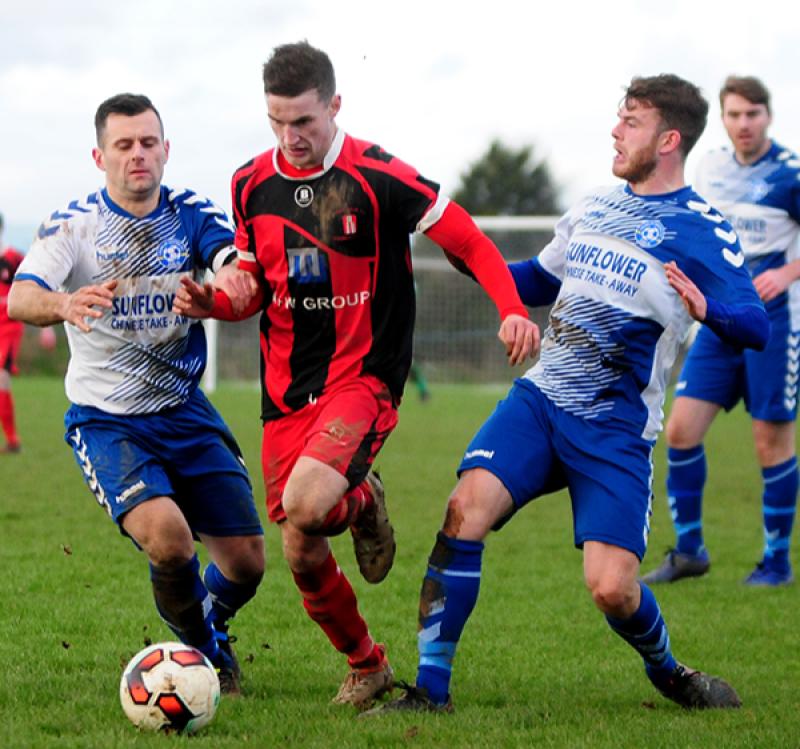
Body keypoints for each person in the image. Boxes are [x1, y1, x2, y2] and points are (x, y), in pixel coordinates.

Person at [365, 74, 769, 716]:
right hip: (541, 402)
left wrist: (707, 306)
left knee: (611, 588)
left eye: (630, 122)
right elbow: (533, 280)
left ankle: (670, 673)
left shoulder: (700, 229)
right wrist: (458, 245)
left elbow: (755, 324)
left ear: (668, 139)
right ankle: (430, 693)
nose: (615, 130)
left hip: (614, 429)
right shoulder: (592, 207)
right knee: (464, 509)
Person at [173, 41, 538, 709]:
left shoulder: (379, 175)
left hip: (362, 376)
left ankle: (363, 497)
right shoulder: (250, 182)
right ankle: (367, 664)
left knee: (313, 504)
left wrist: (512, 308)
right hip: (285, 391)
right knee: (300, 545)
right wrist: (216, 301)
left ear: (334, 105)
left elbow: (469, 241)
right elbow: (253, 284)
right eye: (278, 121)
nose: (292, 136)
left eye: (305, 121)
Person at [7, 93, 265, 693]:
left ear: (166, 150)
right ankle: (203, 661)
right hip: (108, 421)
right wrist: (66, 302)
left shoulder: (190, 212)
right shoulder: (73, 226)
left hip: (185, 411)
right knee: (170, 540)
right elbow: (22, 297)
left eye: (148, 142)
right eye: (124, 145)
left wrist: (218, 294)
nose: (138, 154)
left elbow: (234, 266)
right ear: (100, 156)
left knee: (247, 563)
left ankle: (206, 624)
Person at [644, 76, 800, 587]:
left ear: (768, 116)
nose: (743, 124)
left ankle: (776, 562)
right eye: (733, 115)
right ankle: (690, 551)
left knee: (769, 442)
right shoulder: (709, 168)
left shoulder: (790, 172)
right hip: (718, 318)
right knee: (681, 431)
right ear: (724, 119)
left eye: (752, 114)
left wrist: (787, 272)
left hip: (775, 321)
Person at [0, 214, 25, 453]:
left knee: (1, 379)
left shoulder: (14, 258)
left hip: (9, 327)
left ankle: (12, 439)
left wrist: (46, 327)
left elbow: (36, 288)